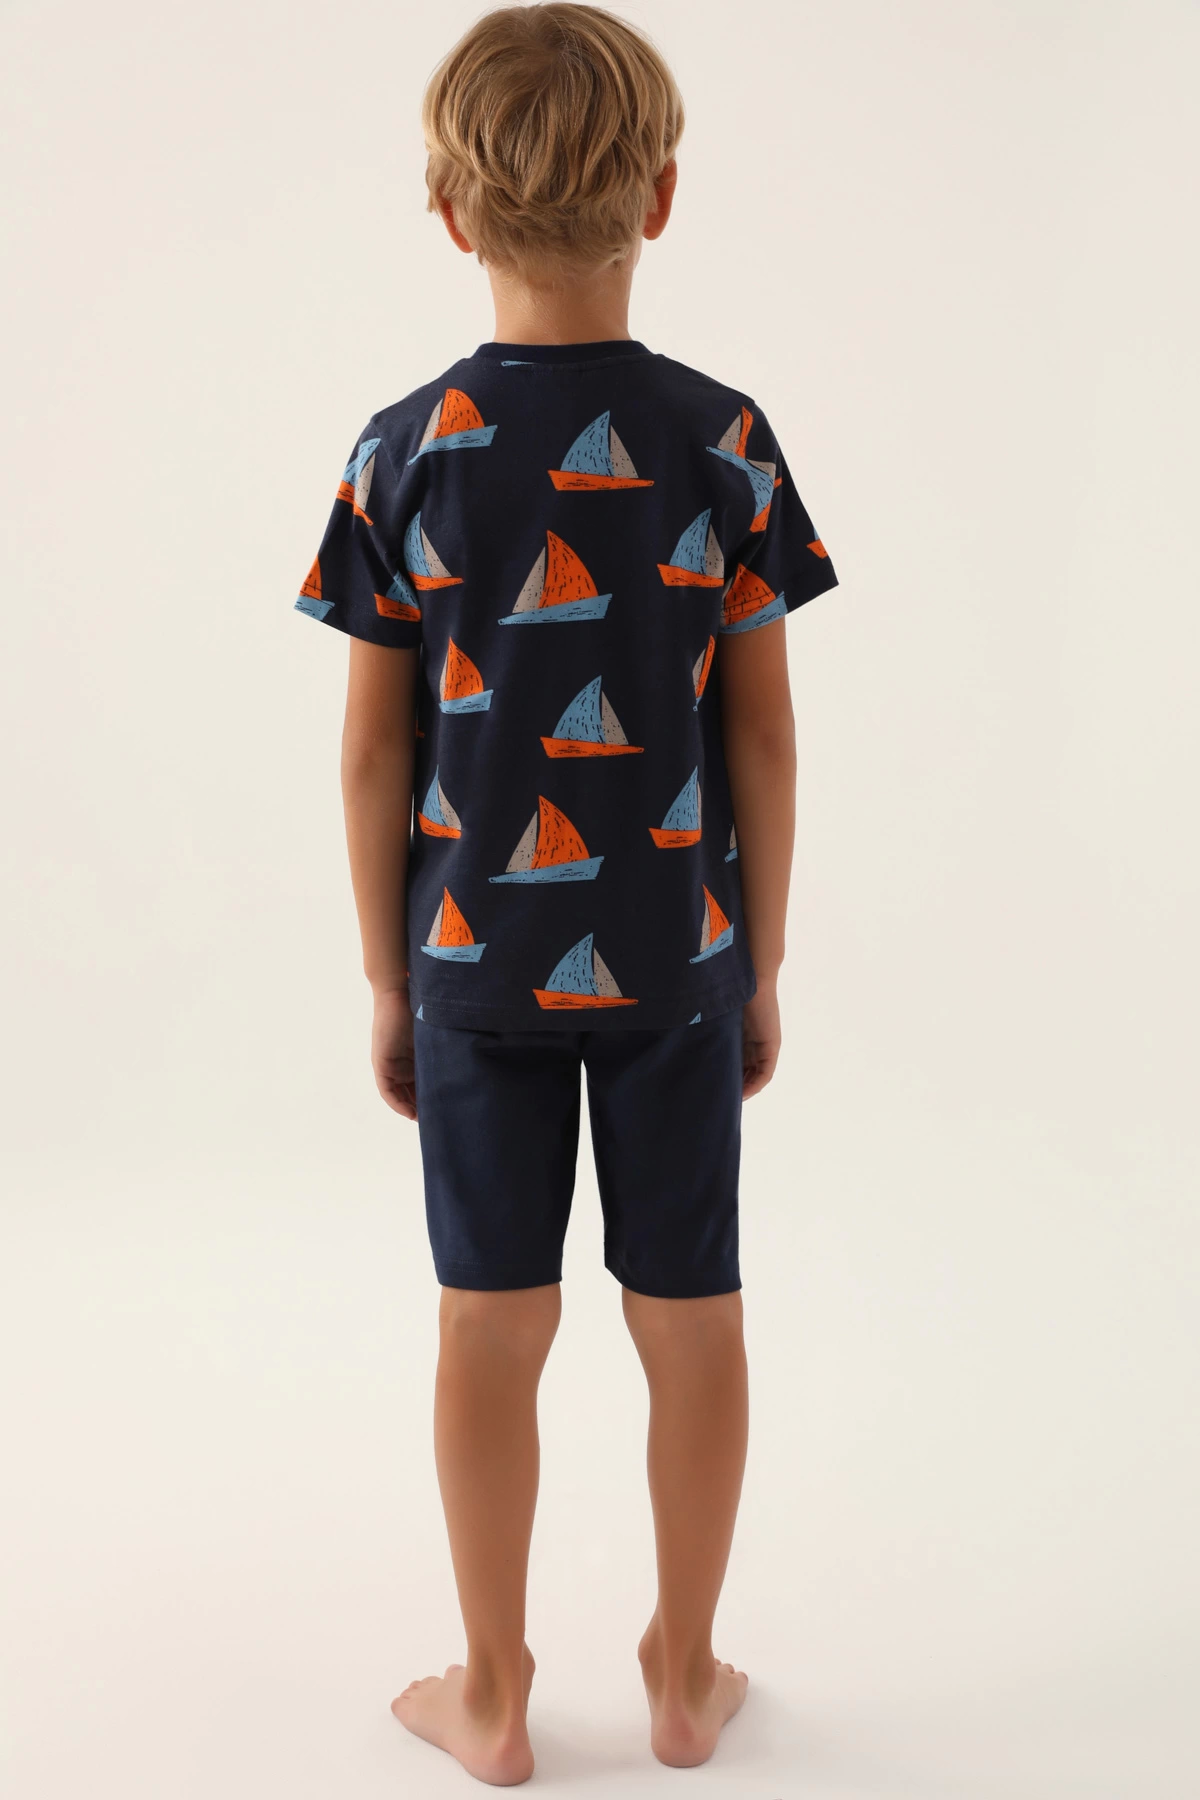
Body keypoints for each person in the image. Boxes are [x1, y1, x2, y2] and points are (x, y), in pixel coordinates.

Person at [294, 4, 838, 1784]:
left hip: (473, 963)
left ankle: (493, 1686)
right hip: (677, 961)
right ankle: (683, 1674)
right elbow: (764, 737)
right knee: (692, 1317)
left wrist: (389, 978)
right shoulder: (722, 440)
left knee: (488, 1321)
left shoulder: (404, 451)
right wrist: (761, 964)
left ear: (448, 210)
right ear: (662, 197)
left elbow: (373, 757)